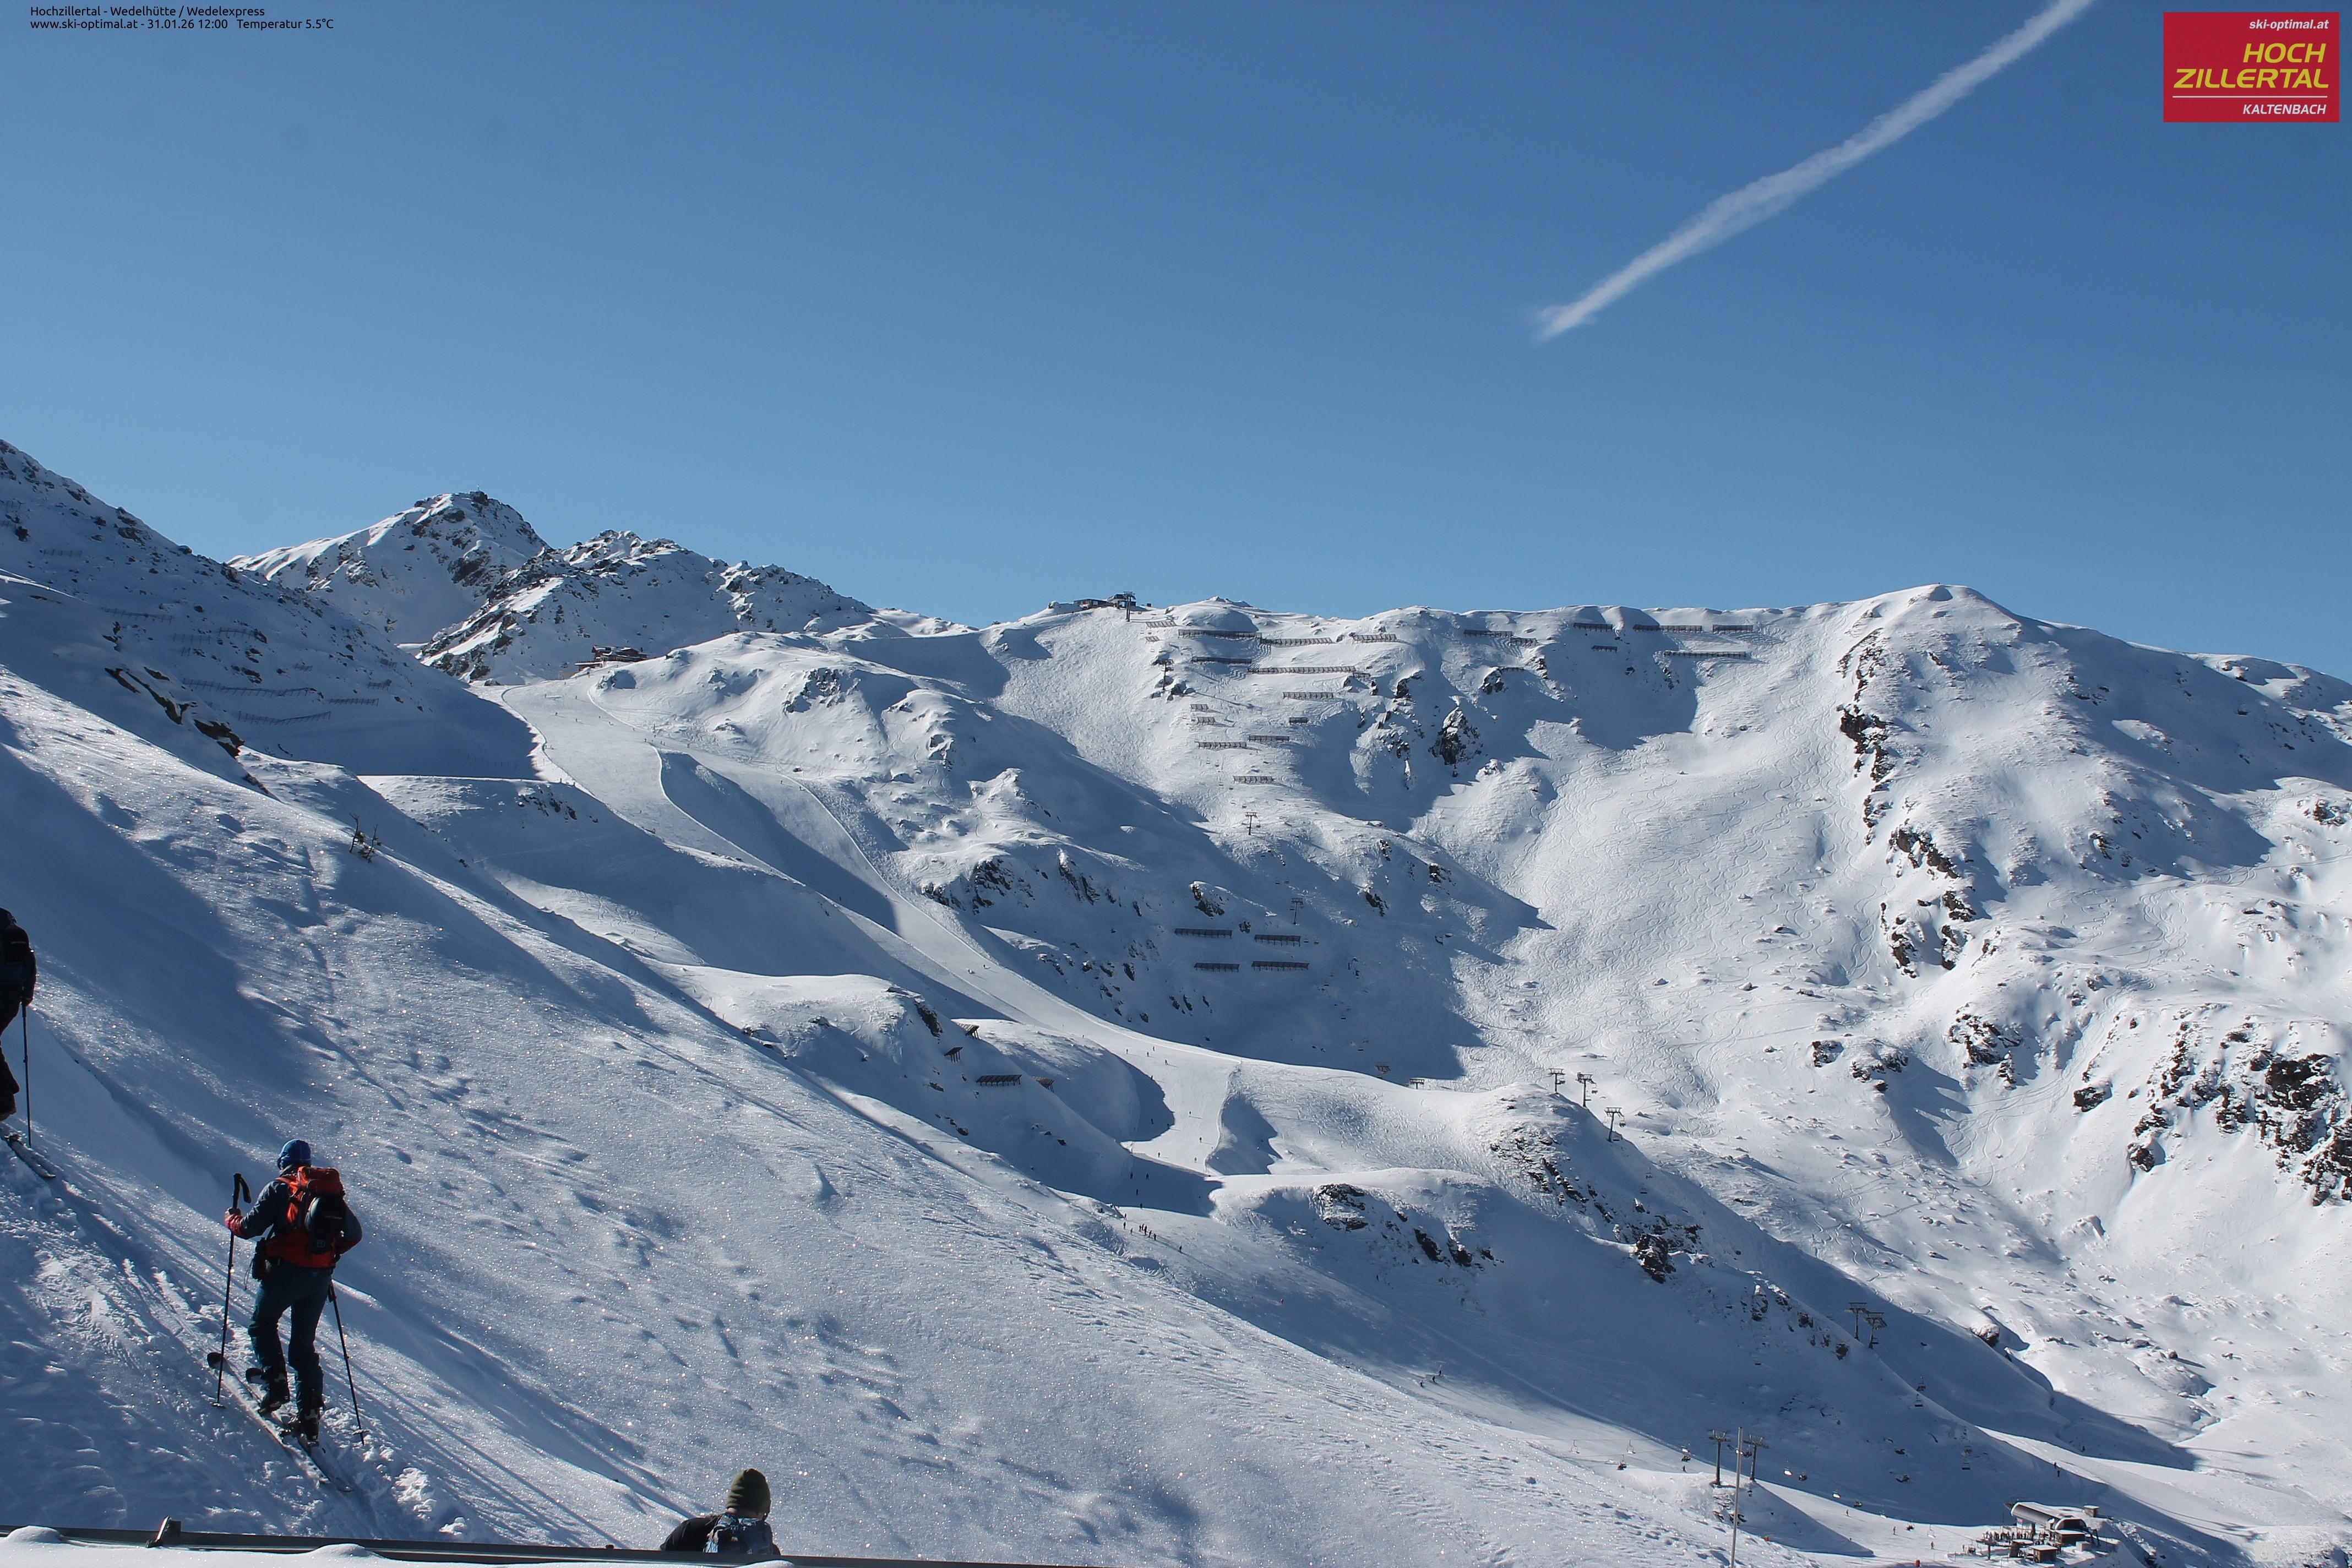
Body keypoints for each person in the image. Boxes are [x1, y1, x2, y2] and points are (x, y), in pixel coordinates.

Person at [225, 1139, 362, 1440]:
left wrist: (231, 1219)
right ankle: (310, 1415)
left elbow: (249, 1229)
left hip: (286, 1272)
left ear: (282, 1161)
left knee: (262, 1324)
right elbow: (355, 1233)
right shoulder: (326, 1190)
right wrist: (329, 1252)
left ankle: (276, 1386)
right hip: (319, 1277)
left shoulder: (280, 1187)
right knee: (303, 1347)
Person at [658, 1469, 780, 1559]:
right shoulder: (768, 1550)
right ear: (762, 1511)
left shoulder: (691, 1530)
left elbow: (654, 1563)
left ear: (732, 1501)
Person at [0, 910, 32, 1121]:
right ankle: (8, 1090)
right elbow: (31, 968)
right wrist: (26, 996)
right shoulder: (18, 941)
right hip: (12, 999)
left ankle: (5, 1102)